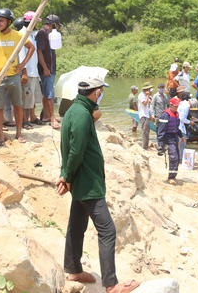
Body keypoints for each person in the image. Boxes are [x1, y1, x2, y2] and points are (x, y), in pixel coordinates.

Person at [55, 76, 140, 293]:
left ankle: (74, 270)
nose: (101, 95)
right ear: (96, 92)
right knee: (108, 231)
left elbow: (70, 149)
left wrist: (65, 176)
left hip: (80, 181)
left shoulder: (73, 110)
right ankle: (111, 284)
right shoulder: (83, 115)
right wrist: (69, 178)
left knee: (77, 226)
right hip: (88, 183)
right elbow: (75, 151)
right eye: (101, 92)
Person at [0, 8, 34, 146]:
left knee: (18, 105)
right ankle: (0, 135)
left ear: (9, 22)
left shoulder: (17, 35)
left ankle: (19, 133)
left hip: (13, 78)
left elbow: (31, 48)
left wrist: (23, 64)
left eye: (1, 20)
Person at [36, 14, 60, 129]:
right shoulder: (42, 33)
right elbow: (39, 52)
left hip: (51, 68)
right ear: (53, 24)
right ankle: (52, 118)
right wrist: (45, 68)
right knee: (50, 94)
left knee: (46, 93)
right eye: (57, 25)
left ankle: (45, 116)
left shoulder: (51, 34)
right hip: (46, 69)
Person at [20, 11, 42, 128]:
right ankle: (24, 120)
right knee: (26, 96)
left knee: (31, 96)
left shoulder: (31, 34)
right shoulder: (22, 34)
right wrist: (24, 72)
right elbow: (21, 55)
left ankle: (32, 117)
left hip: (34, 71)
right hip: (27, 71)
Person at [156, 97, 185, 184]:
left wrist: (181, 136)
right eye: (175, 106)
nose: (177, 107)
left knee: (177, 157)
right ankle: (170, 177)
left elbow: (176, 127)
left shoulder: (176, 114)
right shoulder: (165, 115)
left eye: (177, 106)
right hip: (168, 137)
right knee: (173, 157)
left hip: (175, 136)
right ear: (171, 105)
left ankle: (174, 175)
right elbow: (161, 130)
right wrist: (160, 143)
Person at [178, 91, 194, 158]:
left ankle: (179, 157)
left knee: (179, 143)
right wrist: (190, 122)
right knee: (182, 143)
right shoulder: (186, 106)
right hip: (180, 126)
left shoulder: (182, 103)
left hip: (177, 125)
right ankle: (181, 158)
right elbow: (182, 118)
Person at [137, 82, 152, 150]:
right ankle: (145, 146)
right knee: (145, 130)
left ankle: (146, 144)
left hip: (146, 115)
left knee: (147, 130)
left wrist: (150, 115)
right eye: (149, 89)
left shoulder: (145, 95)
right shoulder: (141, 95)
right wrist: (147, 96)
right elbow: (145, 104)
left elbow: (148, 105)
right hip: (143, 115)